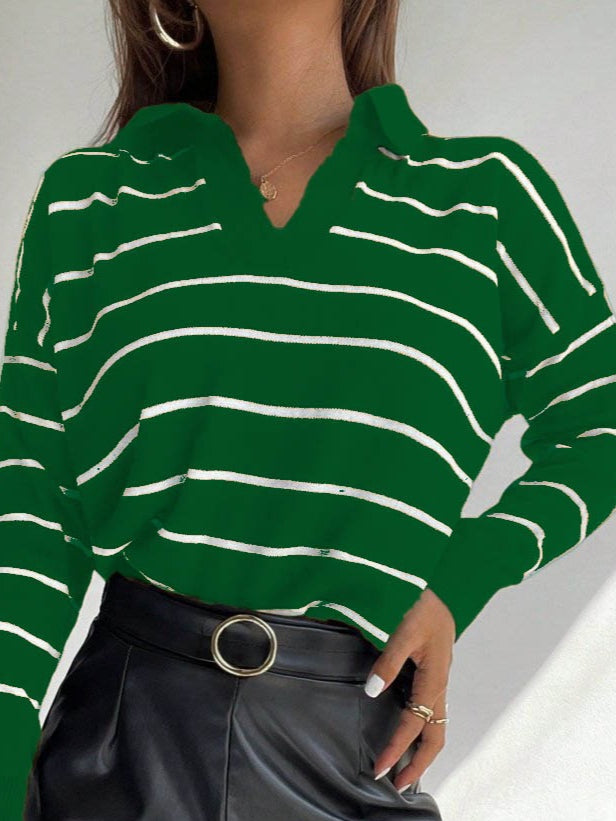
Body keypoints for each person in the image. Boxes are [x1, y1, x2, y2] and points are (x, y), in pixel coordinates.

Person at [2, 1, 615, 818]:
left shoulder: (486, 203)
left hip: (349, 748)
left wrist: (459, 581)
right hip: (117, 754)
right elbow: (30, 523)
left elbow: (600, 423)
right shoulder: (90, 203)